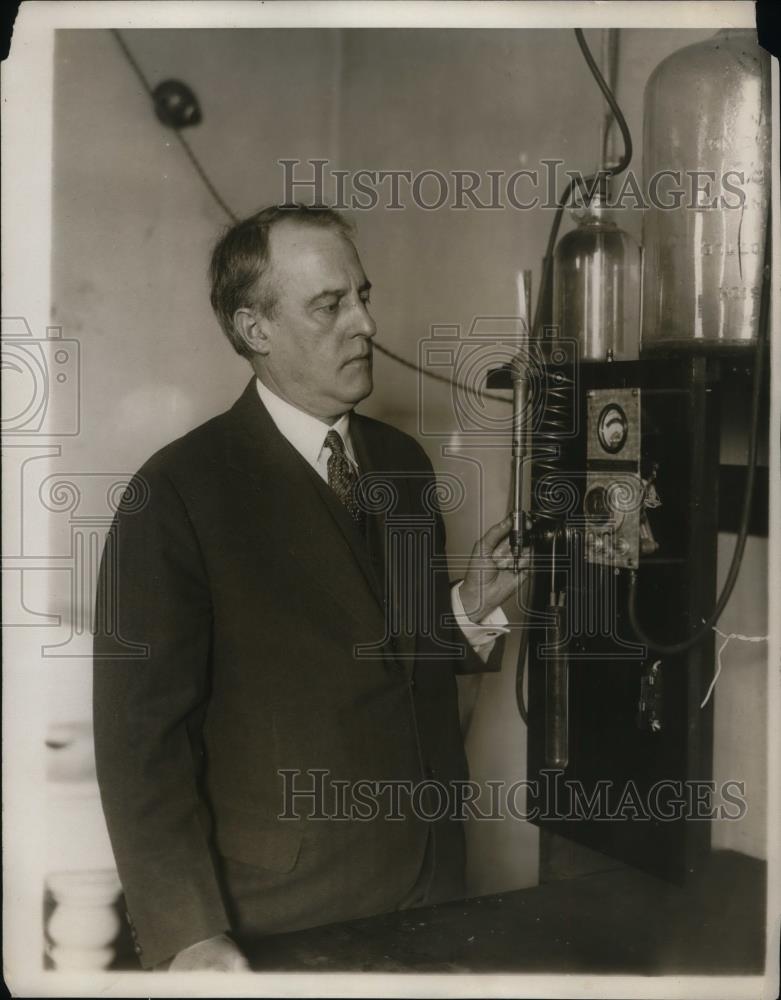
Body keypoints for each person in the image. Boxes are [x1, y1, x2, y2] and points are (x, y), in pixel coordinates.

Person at [93, 205, 523, 972]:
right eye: (330, 305)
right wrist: (188, 931)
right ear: (253, 328)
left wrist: (465, 608)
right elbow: (140, 746)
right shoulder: (177, 494)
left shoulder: (401, 465)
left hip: (431, 882)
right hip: (281, 913)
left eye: (362, 294)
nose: (365, 323)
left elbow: (394, 660)